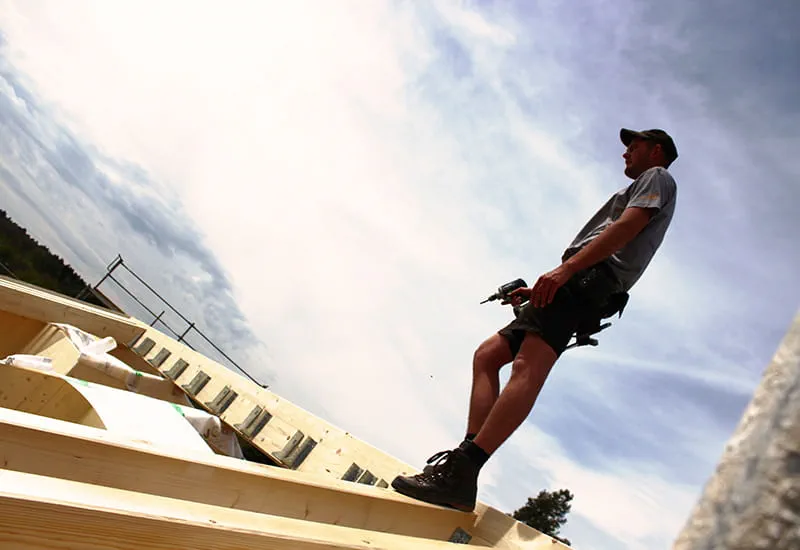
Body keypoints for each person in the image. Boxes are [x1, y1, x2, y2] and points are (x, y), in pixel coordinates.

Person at [391, 128, 679, 512]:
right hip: (578, 278)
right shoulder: (647, 180)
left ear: (656, 149)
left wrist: (565, 273)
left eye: (635, 145)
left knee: (528, 363)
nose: (626, 152)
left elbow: (628, 226)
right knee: (488, 355)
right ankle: (463, 464)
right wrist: (551, 283)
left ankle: (464, 469)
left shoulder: (658, 177)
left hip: (591, 279)